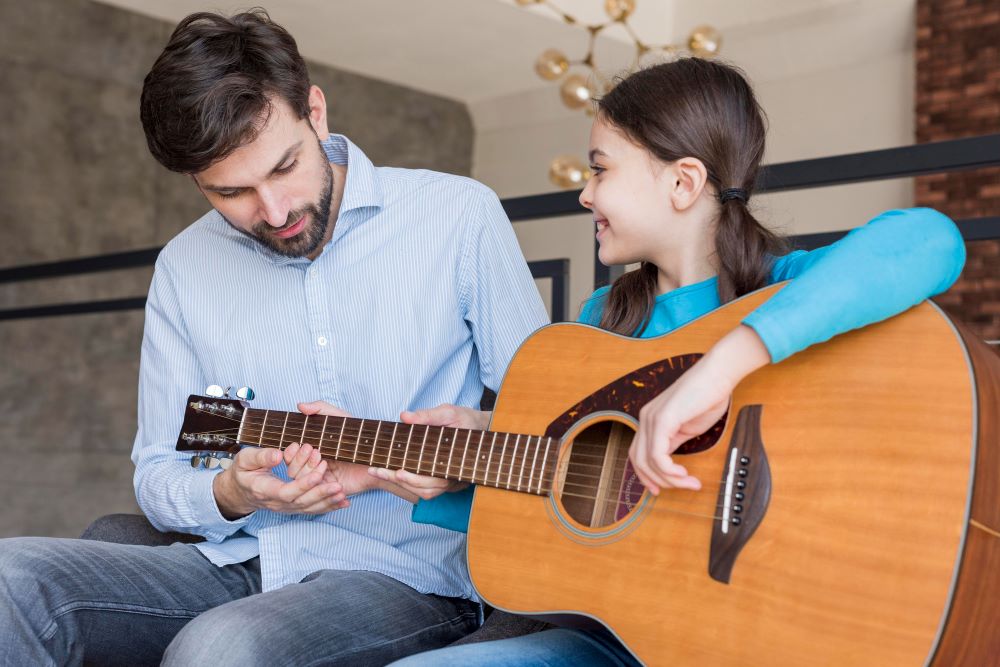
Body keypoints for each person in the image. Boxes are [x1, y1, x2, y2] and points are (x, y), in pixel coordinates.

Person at [0, 9, 548, 666]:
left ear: (315, 112)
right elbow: (162, 467)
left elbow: (547, 434)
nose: (276, 211)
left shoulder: (458, 216)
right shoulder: (185, 267)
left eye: (285, 167)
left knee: (221, 648)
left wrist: (456, 448)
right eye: (232, 193)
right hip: (232, 559)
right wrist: (235, 489)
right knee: (10, 581)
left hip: (403, 573)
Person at [386, 57, 967, 666]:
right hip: (614, 640)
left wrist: (720, 369)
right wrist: (440, 468)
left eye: (600, 169)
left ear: (683, 183)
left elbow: (930, 240)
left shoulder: (781, 288)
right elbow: (563, 509)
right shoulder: (601, 323)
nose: (584, 193)